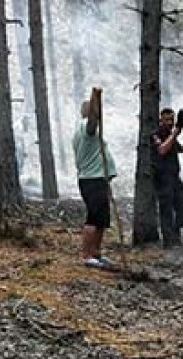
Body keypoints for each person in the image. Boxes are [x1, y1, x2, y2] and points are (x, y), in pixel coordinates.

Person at [73, 88, 118, 269]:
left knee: (101, 219)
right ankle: (86, 255)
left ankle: (96, 253)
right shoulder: (86, 128)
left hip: (98, 179)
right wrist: (95, 98)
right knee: (93, 217)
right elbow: (92, 121)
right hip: (91, 179)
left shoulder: (88, 130)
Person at [151, 107, 183, 248]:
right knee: (166, 210)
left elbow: (179, 149)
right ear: (160, 120)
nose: (169, 123)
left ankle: (175, 233)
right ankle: (169, 242)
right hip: (162, 178)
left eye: (171, 120)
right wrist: (175, 133)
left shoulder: (170, 134)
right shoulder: (155, 134)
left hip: (174, 177)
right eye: (166, 120)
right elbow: (162, 150)